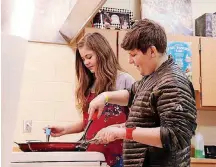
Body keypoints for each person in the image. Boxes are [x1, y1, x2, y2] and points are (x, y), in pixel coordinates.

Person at [88, 19, 197, 167]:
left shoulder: (172, 82)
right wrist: (105, 97)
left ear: (152, 51)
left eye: (133, 54)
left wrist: (123, 132)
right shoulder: (153, 77)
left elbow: (175, 136)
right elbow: (132, 94)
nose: (130, 61)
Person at [45, 32, 135, 167]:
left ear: (102, 53)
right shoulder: (90, 85)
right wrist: (64, 129)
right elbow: (90, 122)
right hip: (92, 156)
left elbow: (138, 121)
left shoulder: (125, 80)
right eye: (83, 59)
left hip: (119, 157)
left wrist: (117, 129)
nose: (86, 62)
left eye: (89, 57)